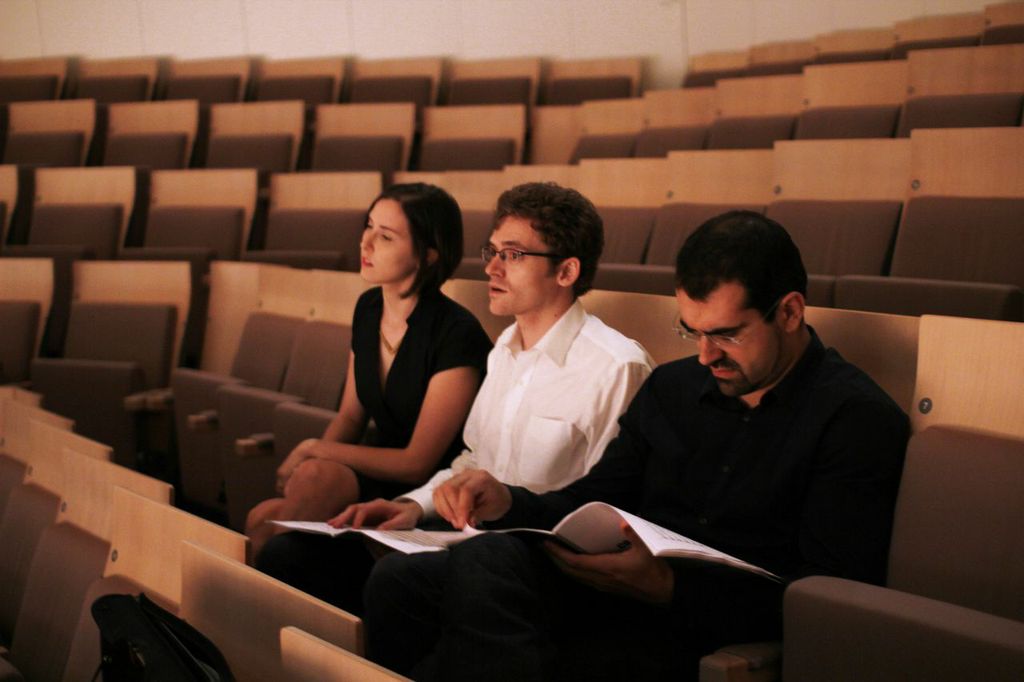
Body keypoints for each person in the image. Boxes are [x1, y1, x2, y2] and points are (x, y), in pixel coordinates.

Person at [362, 210, 911, 681]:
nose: (705, 356)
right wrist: (507, 501)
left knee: (484, 591)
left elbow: (824, 597)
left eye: (726, 334)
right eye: (691, 331)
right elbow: (592, 500)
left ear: (789, 312)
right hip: (618, 588)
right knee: (402, 581)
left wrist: (668, 588)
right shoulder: (673, 388)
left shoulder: (855, 419)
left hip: (706, 624)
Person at [255, 182, 653, 612]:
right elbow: (473, 460)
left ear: (566, 272)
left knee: (395, 580)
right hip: (468, 536)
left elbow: (606, 508)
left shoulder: (616, 367)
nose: (492, 268)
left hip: (538, 559)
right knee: (287, 555)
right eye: (492, 252)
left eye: (513, 255)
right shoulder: (504, 350)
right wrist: (411, 506)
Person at [245, 183, 492, 556]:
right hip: (378, 466)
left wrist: (314, 448)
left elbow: (417, 463)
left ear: (428, 255)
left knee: (298, 497)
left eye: (386, 236)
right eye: (369, 226)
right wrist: (312, 461)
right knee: (262, 516)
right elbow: (350, 416)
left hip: (430, 491)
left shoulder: (457, 334)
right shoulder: (368, 308)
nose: (366, 243)